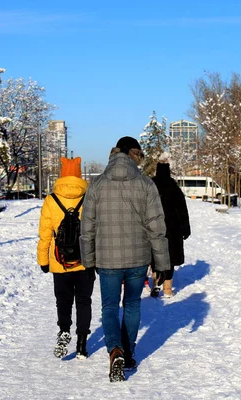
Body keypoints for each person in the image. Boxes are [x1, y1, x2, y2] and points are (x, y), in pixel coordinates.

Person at [80, 136, 170, 382]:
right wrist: (162, 264)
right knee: (132, 305)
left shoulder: (96, 184)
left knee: (109, 306)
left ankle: (115, 349)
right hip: (138, 259)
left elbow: (87, 226)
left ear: (114, 153)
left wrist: (88, 261)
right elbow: (156, 226)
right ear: (135, 155)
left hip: (106, 260)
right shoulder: (145, 184)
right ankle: (128, 353)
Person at [37, 156, 95, 360]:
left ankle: (64, 330)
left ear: (61, 175)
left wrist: (43, 260)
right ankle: (81, 343)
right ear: (79, 175)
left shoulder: (51, 200)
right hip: (85, 260)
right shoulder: (89, 198)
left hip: (59, 260)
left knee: (63, 300)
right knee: (84, 301)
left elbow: (45, 233)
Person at [150, 159, 191, 298]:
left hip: (153, 228)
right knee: (170, 259)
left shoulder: (150, 185)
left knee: (154, 257)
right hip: (173, 230)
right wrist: (186, 228)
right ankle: (167, 289)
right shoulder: (174, 187)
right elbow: (183, 210)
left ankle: (155, 285)